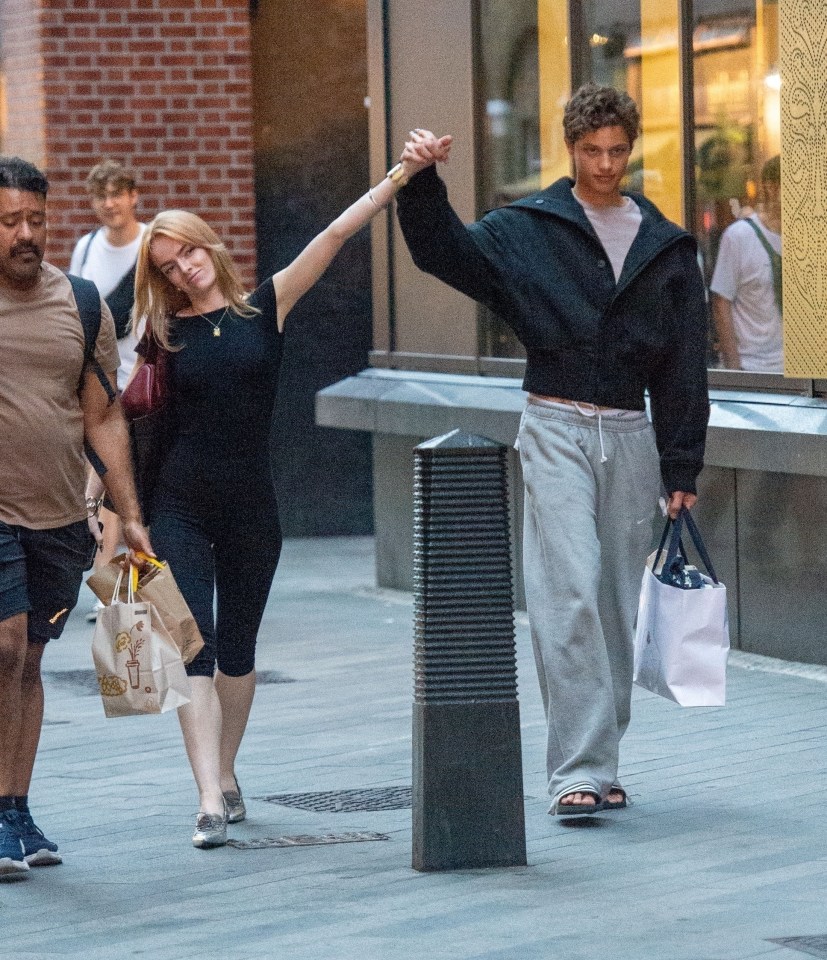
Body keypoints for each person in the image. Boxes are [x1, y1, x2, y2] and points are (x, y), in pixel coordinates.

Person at [395, 84, 710, 816]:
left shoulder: (663, 243)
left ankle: (603, 758)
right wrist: (421, 182)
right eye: (591, 151)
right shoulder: (526, 227)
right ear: (569, 149)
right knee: (565, 592)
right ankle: (577, 768)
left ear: (630, 149)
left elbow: (684, 363)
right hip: (554, 425)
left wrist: (680, 466)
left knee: (611, 607)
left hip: (631, 435)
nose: (604, 164)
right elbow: (445, 254)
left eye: (616, 151)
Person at [127, 150, 446, 849]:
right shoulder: (161, 334)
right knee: (194, 649)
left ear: (207, 244)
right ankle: (208, 797)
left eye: (188, 254)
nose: (184, 269)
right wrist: (119, 511)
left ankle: (227, 771)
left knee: (238, 652)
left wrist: (401, 176)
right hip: (177, 503)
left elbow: (333, 235)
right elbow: (132, 419)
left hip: (251, 507)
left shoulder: (264, 306)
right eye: (169, 267)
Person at [0, 156, 152, 879]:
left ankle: (15, 810)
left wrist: (129, 511)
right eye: (7, 223)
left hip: (59, 511)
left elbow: (104, 416)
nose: (24, 235)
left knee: (28, 660)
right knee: (2, 649)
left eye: (35, 220)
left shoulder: (84, 301)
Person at [69, 159, 147, 620]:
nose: (110, 203)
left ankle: (116, 587)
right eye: (100, 195)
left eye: (118, 193)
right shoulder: (85, 248)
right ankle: (111, 589)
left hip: (144, 377)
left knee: (118, 482)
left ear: (134, 196)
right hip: (98, 380)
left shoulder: (151, 241)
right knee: (108, 481)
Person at [710, 155, 783, 372]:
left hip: (802, 371)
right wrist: (735, 370)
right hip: (754, 367)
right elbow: (721, 303)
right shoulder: (739, 236)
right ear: (772, 187)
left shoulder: (809, 237)